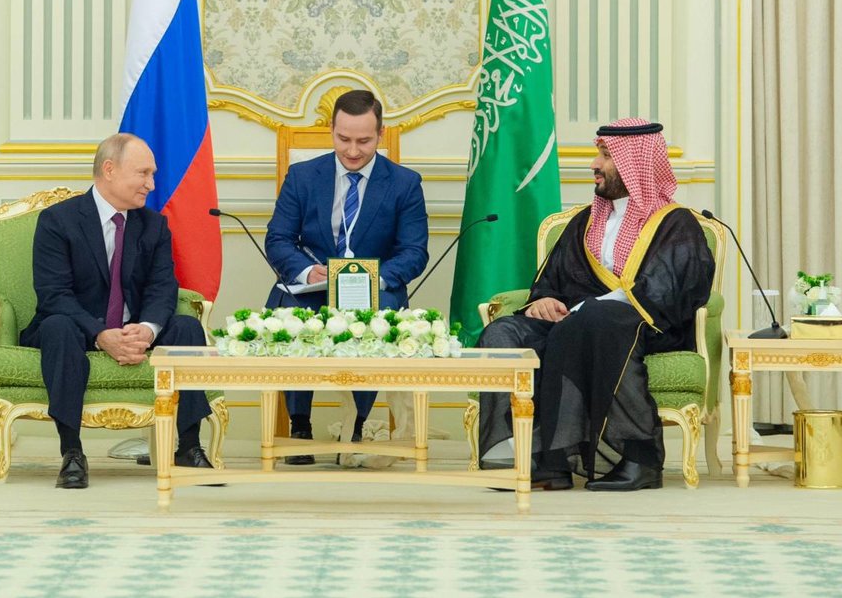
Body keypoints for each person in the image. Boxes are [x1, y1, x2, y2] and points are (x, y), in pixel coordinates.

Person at [477, 119, 714, 491]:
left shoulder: (675, 223)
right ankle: (537, 459)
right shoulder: (584, 223)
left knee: (598, 319)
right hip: (577, 323)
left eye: (606, 155)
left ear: (635, 163)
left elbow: (669, 290)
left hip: (647, 327)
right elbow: (552, 278)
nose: (594, 164)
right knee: (503, 332)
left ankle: (641, 458)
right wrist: (544, 300)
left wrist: (588, 309)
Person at [21, 133, 217, 489]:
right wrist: (100, 334)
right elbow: (53, 294)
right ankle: (72, 452)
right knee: (57, 326)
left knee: (188, 328)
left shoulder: (154, 225)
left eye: (152, 175)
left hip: (133, 329)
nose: (151, 184)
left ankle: (189, 446)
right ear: (109, 170)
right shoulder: (58, 220)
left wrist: (148, 328)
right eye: (143, 173)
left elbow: (163, 287)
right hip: (77, 328)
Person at [264, 89, 429, 462]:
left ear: (380, 134)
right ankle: (300, 425)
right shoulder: (303, 176)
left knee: (377, 318)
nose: (353, 151)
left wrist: (375, 277)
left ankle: (357, 425)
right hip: (314, 286)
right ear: (332, 131)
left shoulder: (404, 183)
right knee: (291, 313)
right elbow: (278, 239)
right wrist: (306, 271)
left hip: (373, 288)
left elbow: (414, 252)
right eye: (344, 139)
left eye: (364, 141)